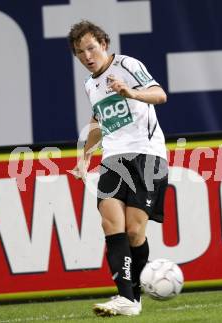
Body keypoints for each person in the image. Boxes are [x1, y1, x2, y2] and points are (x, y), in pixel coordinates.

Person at [67, 20, 169, 316]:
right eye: (80, 52)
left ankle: (133, 298)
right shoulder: (90, 84)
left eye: (91, 48)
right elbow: (99, 121)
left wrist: (131, 93)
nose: (87, 56)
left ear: (104, 44)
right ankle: (125, 298)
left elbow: (160, 95)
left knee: (135, 232)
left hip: (146, 154)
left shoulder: (126, 65)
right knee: (111, 223)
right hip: (113, 159)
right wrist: (84, 155)